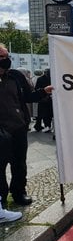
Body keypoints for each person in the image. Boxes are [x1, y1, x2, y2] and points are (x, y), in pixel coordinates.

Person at [0, 43, 53, 206]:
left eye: (7, 56)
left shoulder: (16, 76)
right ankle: (1, 197)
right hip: (1, 131)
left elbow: (28, 97)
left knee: (19, 164)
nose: (6, 60)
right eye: (2, 57)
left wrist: (44, 91)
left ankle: (18, 192)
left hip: (18, 128)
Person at [34, 69, 53, 133]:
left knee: (45, 114)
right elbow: (36, 88)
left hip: (44, 99)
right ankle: (46, 126)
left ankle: (46, 126)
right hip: (46, 99)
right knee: (47, 114)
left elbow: (36, 88)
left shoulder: (40, 79)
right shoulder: (51, 78)